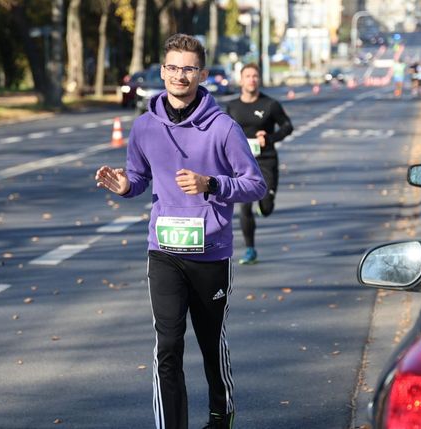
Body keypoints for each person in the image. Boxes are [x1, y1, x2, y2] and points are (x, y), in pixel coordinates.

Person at [95, 33, 267, 429]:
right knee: (168, 347)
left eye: (189, 68)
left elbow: (254, 184)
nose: (180, 75)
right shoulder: (143, 127)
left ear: (202, 73)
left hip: (210, 253)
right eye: (173, 68)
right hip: (164, 251)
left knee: (210, 345)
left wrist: (213, 184)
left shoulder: (222, 128)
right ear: (163, 72)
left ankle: (220, 415)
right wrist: (125, 187)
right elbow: (138, 176)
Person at [226, 63, 293, 265]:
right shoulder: (233, 106)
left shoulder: (270, 105)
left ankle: (265, 203)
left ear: (259, 79)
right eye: (248, 76)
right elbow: (224, 132)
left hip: (266, 160)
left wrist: (270, 138)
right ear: (241, 80)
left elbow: (288, 126)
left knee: (266, 207)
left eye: (255, 76)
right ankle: (250, 249)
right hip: (242, 164)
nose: (252, 79)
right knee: (244, 208)